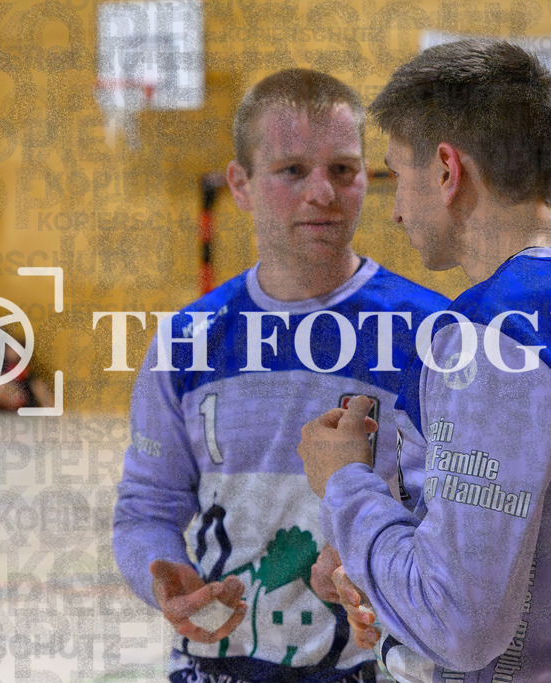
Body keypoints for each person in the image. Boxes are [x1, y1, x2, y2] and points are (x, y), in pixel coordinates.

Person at [298, 40, 551, 682]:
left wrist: (346, 485)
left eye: (400, 175)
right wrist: (378, 564)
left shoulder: (490, 338)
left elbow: (459, 627)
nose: (396, 208)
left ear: (448, 171)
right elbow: (548, 561)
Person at [112, 68, 450, 683]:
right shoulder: (188, 341)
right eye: (292, 170)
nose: (322, 192)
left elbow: (461, 517)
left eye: (343, 170)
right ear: (239, 184)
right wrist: (163, 576)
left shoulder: (433, 335)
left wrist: (372, 560)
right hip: (216, 668)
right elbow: (146, 508)